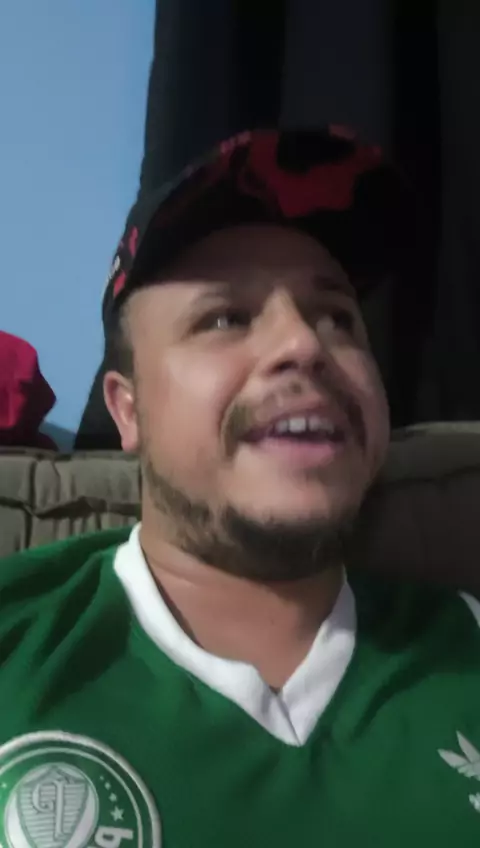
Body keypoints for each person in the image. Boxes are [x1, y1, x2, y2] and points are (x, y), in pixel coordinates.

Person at [0, 128, 478, 848]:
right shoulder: (18, 637)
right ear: (128, 410)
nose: (306, 345)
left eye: (337, 318)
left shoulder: (466, 641)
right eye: (225, 317)